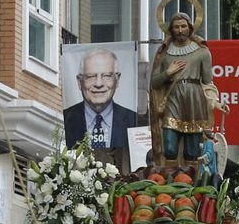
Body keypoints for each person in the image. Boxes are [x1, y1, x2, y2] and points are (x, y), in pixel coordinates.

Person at [150, 10, 225, 170]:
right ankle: (169, 177)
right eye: (176, 27)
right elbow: (154, 82)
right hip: (173, 99)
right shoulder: (165, 54)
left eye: (183, 26)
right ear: (171, 29)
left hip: (194, 100)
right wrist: (168, 72)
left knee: (192, 150)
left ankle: (189, 179)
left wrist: (214, 103)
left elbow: (207, 82)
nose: (180, 30)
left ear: (190, 28)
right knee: (169, 147)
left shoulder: (202, 52)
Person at [64, 47, 137, 160]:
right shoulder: (66, 119)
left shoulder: (132, 120)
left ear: (117, 80)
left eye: (107, 76)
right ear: (79, 82)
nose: (98, 83)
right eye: (90, 76)